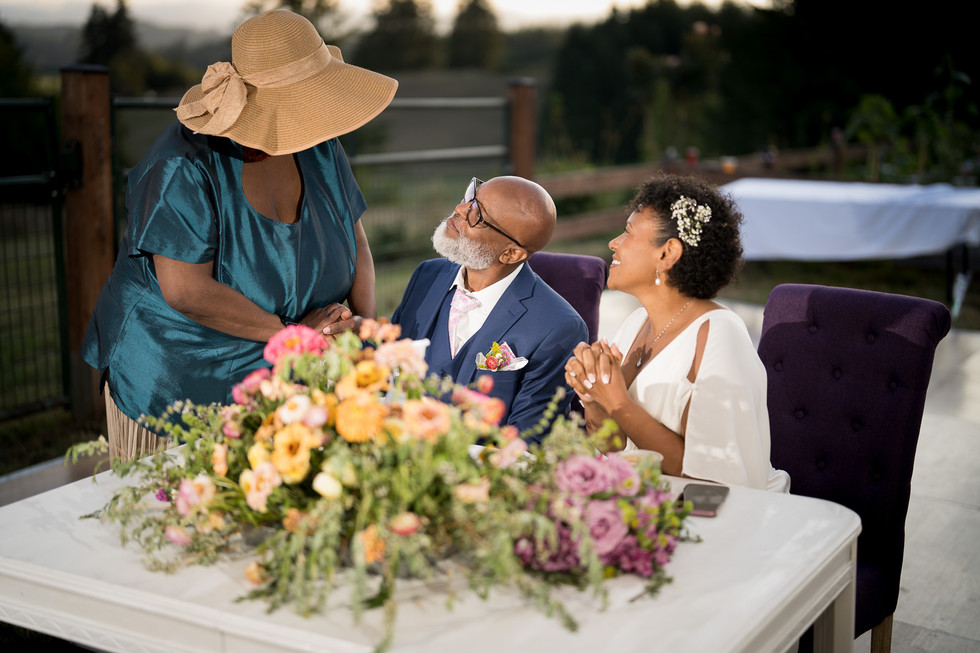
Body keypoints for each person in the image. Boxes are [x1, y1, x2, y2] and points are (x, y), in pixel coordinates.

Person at [82, 10, 398, 460]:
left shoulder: (319, 143)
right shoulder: (182, 165)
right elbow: (187, 291)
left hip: (289, 359)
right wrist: (293, 337)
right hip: (181, 372)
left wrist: (364, 331)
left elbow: (355, 239)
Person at [564, 174, 790, 492]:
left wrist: (617, 401)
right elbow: (614, 447)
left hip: (714, 509)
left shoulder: (719, 336)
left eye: (628, 232)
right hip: (640, 499)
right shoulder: (636, 323)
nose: (614, 243)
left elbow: (714, 479)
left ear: (668, 253)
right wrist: (593, 396)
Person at [391, 176, 587, 442]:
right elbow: (389, 363)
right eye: (471, 196)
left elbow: (527, 441)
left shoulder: (558, 327)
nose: (460, 209)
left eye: (477, 215)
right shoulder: (427, 276)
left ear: (510, 254)